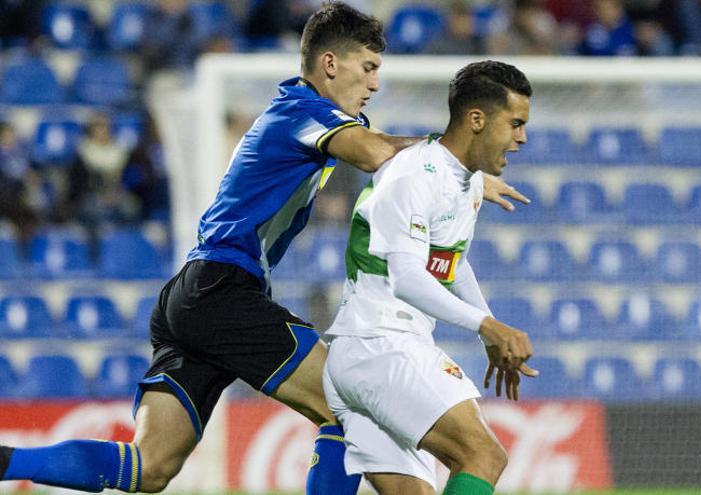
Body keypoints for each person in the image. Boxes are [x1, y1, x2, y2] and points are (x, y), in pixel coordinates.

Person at [0, 3, 526, 494]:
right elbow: (377, 154)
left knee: (150, 467)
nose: (375, 82)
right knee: (349, 403)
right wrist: (462, 160)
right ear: (329, 63)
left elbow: (382, 157)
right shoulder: (300, 109)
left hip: (191, 296)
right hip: (223, 289)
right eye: (366, 67)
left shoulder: (313, 118)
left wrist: (466, 181)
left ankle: (6, 463)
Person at [322, 60, 538, 495]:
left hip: (373, 351)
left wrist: (487, 332)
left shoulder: (467, 182)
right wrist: (487, 326)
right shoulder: (411, 176)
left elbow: (450, 264)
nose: (522, 138)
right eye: (514, 124)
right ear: (477, 119)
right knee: (483, 455)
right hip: (380, 345)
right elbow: (407, 278)